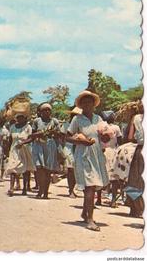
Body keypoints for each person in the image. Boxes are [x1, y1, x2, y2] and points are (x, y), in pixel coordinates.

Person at [67, 90, 109, 231]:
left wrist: (105, 138)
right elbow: (67, 137)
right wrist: (81, 141)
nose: (87, 104)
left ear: (93, 104)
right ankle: (90, 220)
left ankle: (85, 213)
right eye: (84, 102)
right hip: (83, 155)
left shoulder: (99, 119)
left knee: (95, 184)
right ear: (81, 105)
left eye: (89, 102)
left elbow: (104, 137)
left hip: (96, 155)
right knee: (90, 186)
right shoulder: (77, 120)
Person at [31, 103, 61, 199]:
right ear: (41, 112)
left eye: (48, 110)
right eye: (44, 110)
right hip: (39, 146)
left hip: (50, 146)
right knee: (40, 170)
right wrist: (41, 133)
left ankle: (46, 192)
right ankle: (40, 190)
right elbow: (33, 134)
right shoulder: (36, 121)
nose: (46, 112)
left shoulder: (54, 121)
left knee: (48, 171)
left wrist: (53, 132)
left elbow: (59, 134)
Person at [6, 113, 35, 196]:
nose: (19, 119)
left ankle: (25, 188)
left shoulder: (28, 127)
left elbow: (31, 138)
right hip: (14, 149)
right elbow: (10, 139)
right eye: (18, 117)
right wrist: (8, 150)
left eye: (21, 117)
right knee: (12, 167)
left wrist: (23, 143)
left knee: (25, 169)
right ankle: (11, 188)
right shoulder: (12, 127)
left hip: (25, 149)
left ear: (25, 118)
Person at [99, 111, 123, 207]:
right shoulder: (116, 128)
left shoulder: (100, 127)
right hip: (113, 152)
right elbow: (120, 141)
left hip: (102, 151)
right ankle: (113, 200)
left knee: (101, 175)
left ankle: (99, 199)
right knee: (114, 178)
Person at [125, 103, 144, 218]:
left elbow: (130, 137)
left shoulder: (136, 118)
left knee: (133, 180)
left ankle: (135, 209)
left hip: (139, 150)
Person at [59, 107, 81, 198]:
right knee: (70, 170)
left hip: (79, 148)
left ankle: (74, 188)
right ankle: (71, 190)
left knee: (77, 170)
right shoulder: (66, 125)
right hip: (68, 147)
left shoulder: (82, 125)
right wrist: (61, 149)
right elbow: (62, 137)